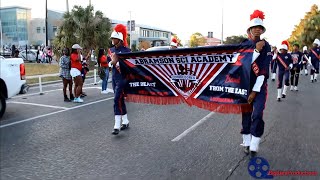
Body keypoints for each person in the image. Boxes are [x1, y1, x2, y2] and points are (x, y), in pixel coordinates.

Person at [240, 10, 272, 157]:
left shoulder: (267, 46)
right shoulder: (244, 44)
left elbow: (264, 69)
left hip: (259, 86)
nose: (257, 29)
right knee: (246, 114)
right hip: (245, 85)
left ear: (262, 30)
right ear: (250, 30)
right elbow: (241, 64)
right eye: (255, 27)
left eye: (260, 27)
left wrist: (254, 91)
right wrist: (255, 51)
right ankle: (246, 142)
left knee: (257, 113)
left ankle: (254, 143)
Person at [108, 24, 131, 135]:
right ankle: (125, 121)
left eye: (114, 38)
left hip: (123, 78)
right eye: (112, 38)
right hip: (114, 77)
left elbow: (130, 65)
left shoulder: (127, 50)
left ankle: (117, 125)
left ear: (120, 39)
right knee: (120, 99)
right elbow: (109, 63)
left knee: (117, 99)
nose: (112, 40)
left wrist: (117, 62)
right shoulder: (111, 50)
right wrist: (111, 63)